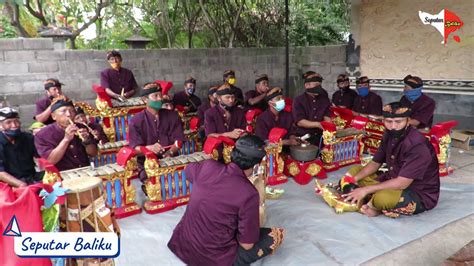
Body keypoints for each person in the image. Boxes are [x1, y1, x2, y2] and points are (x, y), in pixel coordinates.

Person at [168, 135, 285, 265]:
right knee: (274, 235)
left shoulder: (208, 166)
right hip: (212, 258)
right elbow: (247, 245)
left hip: (181, 245)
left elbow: (188, 170)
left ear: (232, 153)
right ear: (256, 164)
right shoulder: (249, 193)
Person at [342, 102, 440, 218]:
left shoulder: (417, 146)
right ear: (383, 121)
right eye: (389, 122)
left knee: (382, 198)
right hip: (391, 178)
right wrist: (353, 179)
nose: (393, 126)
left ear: (408, 121)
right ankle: (365, 196)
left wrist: (365, 190)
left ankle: (375, 205)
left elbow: (402, 183)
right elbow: (375, 163)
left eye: (398, 122)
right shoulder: (389, 135)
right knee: (354, 171)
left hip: (416, 192)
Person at [128, 82, 185, 182]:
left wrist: (170, 152)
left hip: (171, 158)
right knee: (151, 180)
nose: (160, 99)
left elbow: (179, 140)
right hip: (147, 163)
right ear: (145, 99)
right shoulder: (136, 121)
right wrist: (148, 149)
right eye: (155, 96)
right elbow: (134, 148)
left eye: (160, 95)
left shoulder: (173, 116)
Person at [35, 100, 98, 171]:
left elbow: (93, 154)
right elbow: (50, 161)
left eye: (72, 111)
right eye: (63, 111)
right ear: (54, 116)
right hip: (60, 174)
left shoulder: (82, 127)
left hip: (84, 170)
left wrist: (87, 141)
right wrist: (66, 140)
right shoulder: (43, 134)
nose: (69, 114)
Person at [0, 107, 42, 187]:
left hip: (31, 177)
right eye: (8, 122)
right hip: (8, 184)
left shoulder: (28, 138)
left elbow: (41, 157)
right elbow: (1, 173)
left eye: (16, 121)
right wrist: (21, 185)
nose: (14, 125)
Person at [292, 73, 331, 146]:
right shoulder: (298, 100)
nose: (319, 88)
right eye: (316, 85)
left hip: (321, 137)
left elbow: (327, 116)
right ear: (307, 86)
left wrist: (330, 127)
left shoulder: (324, 100)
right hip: (304, 138)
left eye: (319, 85)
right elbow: (300, 121)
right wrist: (318, 124)